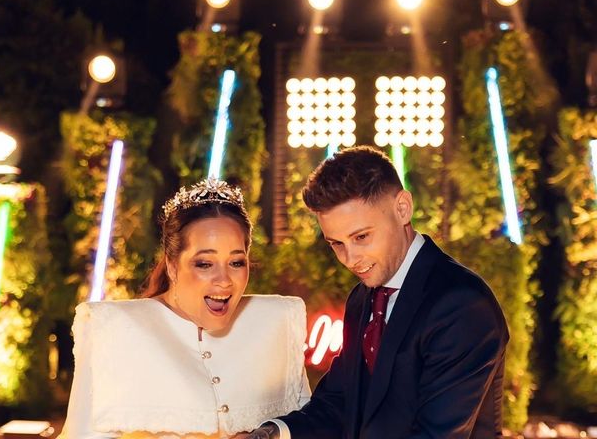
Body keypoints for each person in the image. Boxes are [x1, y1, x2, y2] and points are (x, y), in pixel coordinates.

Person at [249, 146, 509, 439]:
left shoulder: (461, 305)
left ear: (402, 209)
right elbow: (339, 402)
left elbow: (436, 434)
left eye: (361, 237)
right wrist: (274, 432)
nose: (350, 258)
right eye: (336, 244)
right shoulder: (362, 299)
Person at [59, 178, 311, 439]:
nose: (224, 280)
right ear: (172, 266)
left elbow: (309, 425)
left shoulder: (275, 322)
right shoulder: (115, 329)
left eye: (236, 262)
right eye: (204, 264)